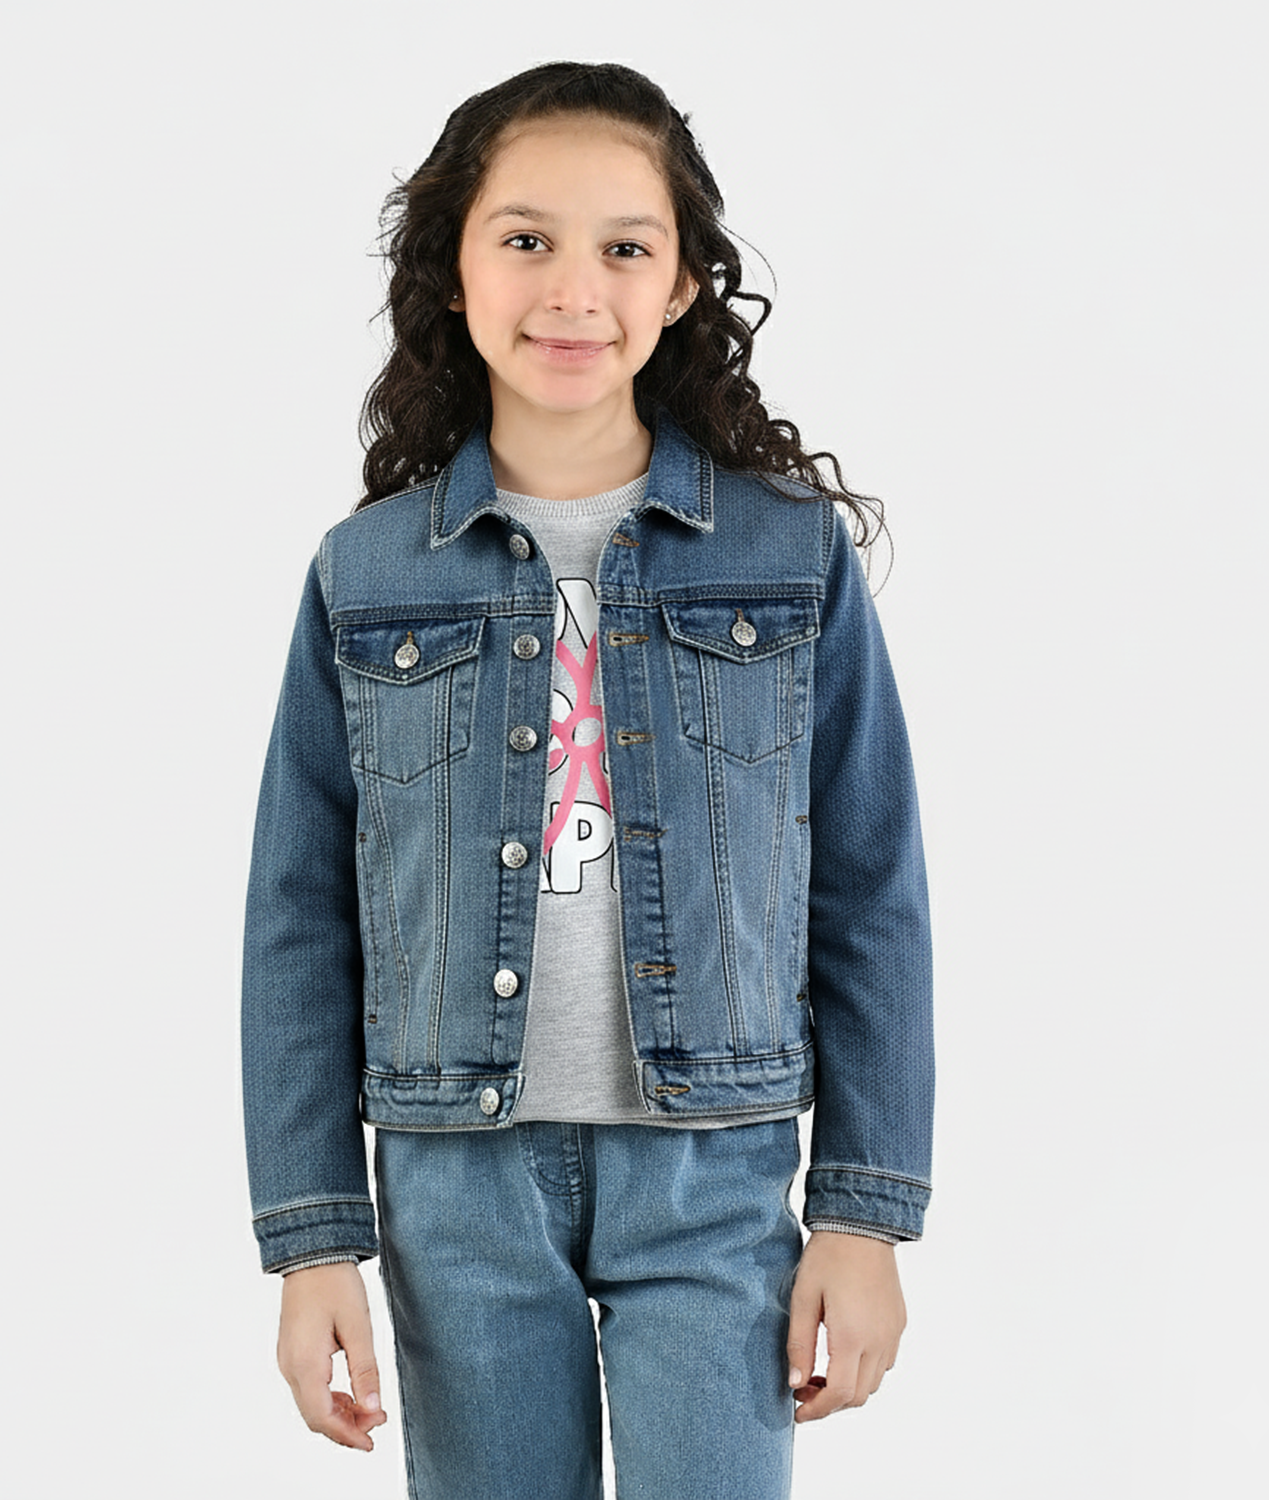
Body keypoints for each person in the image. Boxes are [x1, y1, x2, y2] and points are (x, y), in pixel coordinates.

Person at [242, 60, 934, 1500]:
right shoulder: (367, 573)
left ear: (681, 285)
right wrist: (315, 1241)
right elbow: (300, 918)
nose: (574, 290)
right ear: (454, 269)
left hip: (717, 1171)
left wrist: (862, 1213)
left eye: (626, 245)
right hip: (456, 1180)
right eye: (526, 239)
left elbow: (872, 889)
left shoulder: (787, 554)